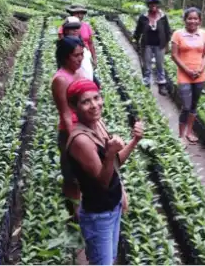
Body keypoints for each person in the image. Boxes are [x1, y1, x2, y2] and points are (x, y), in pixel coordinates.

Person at [65, 79, 143, 265]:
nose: (94, 105)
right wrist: (109, 153)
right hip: (98, 215)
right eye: (85, 101)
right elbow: (102, 181)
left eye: (96, 98)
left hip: (112, 206)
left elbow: (114, 165)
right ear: (74, 106)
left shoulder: (98, 123)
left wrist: (134, 141)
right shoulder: (80, 140)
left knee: (110, 257)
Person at [51, 36, 86, 220]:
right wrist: (75, 141)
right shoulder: (60, 79)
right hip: (70, 132)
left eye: (82, 54)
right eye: (75, 56)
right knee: (71, 176)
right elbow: (65, 113)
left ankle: (80, 212)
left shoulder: (78, 73)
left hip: (83, 129)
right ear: (65, 57)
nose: (80, 59)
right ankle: (74, 216)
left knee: (83, 175)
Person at [171, 7, 205, 144]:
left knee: (194, 105)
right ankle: (181, 135)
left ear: (199, 20)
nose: (192, 21)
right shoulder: (177, 34)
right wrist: (187, 70)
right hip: (184, 75)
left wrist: (201, 68)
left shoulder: (203, 34)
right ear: (185, 19)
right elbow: (174, 55)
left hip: (199, 75)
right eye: (190, 18)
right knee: (186, 106)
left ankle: (189, 132)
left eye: (195, 18)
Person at [134, 0, 172, 95]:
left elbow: (167, 31)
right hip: (147, 45)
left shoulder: (163, 17)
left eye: (155, 3)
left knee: (160, 64)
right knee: (147, 65)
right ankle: (146, 84)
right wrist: (136, 40)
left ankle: (161, 85)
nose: (153, 5)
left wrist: (167, 44)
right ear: (148, 5)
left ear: (157, 4)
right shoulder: (143, 17)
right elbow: (138, 30)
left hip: (160, 45)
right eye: (151, 3)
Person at [59, 16, 95, 83]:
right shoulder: (65, 46)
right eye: (72, 28)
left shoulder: (82, 44)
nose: (75, 30)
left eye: (77, 28)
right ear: (66, 30)